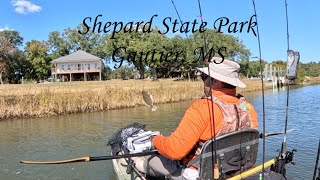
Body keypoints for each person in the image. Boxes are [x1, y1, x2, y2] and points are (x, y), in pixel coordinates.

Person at [133, 57, 258, 179]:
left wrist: (154, 140)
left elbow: (175, 151)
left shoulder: (202, 107)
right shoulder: (248, 107)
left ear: (216, 81)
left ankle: (138, 166)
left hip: (200, 174)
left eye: (204, 77)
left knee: (149, 161)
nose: (203, 82)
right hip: (236, 171)